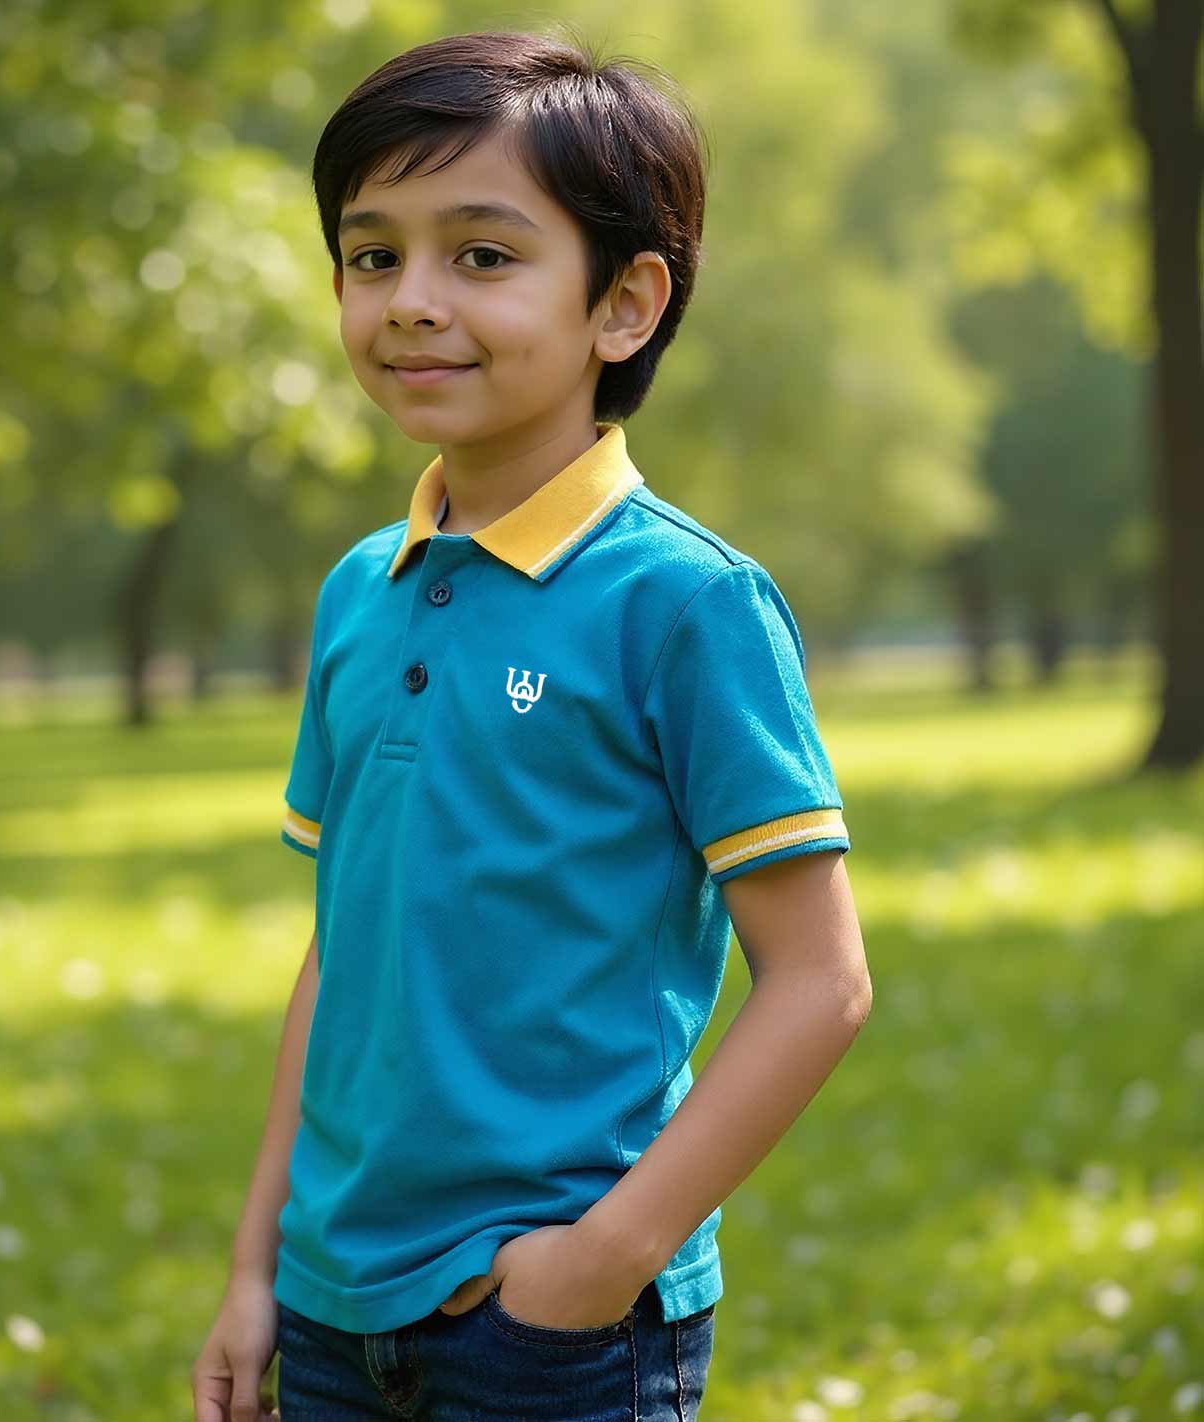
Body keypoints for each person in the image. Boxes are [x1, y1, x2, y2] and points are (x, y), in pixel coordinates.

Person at [193, 25, 871, 1422]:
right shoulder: (356, 595)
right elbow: (341, 946)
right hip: (330, 1311)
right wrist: (257, 1264)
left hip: (554, 1329)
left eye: (481, 255)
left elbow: (818, 980)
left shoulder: (683, 602)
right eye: (372, 254)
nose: (410, 300)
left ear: (622, 305)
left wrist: (600, 1260)